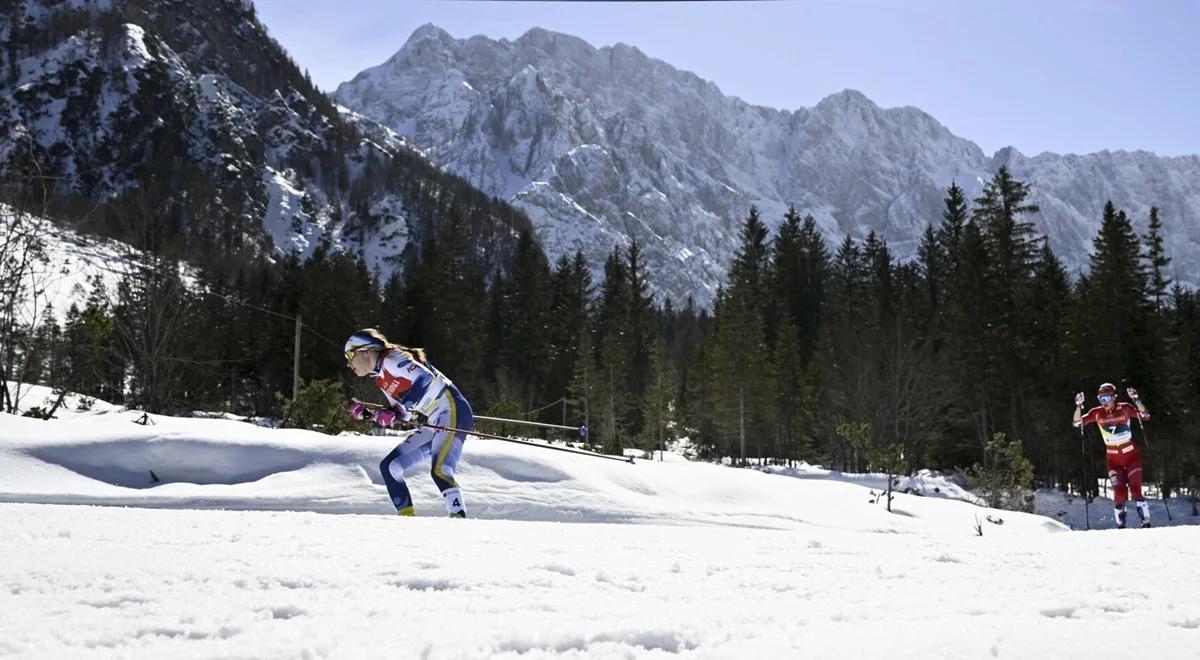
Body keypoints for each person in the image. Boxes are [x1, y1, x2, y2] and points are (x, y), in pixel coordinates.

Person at [344, 328, 473, 518]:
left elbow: (424, 378)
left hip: (452, 408)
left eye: (350, 355)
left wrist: (402, 406)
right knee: (390, 466)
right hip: (434, 418)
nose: (349, 363)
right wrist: (371, 415)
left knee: (440, 470)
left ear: (366, 351)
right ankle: (407, 521)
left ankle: (459, 521)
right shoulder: (380, 379)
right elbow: (403, 415)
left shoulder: (391, 359)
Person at [1073, 382, 1151, 528]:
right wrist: (1078, 406)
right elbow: (1077, 423)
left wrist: (1136, 400)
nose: (1104, 402)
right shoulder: (1097, 413)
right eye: (1101, 399)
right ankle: (1121, 527)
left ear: (1114, 397)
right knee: (1119, 494)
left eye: (1107, 398)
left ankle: (1146, 522)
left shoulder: (1125, 408)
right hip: (1113, 460)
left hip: (1131, 456)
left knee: (1135, 490)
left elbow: (1145, 415)